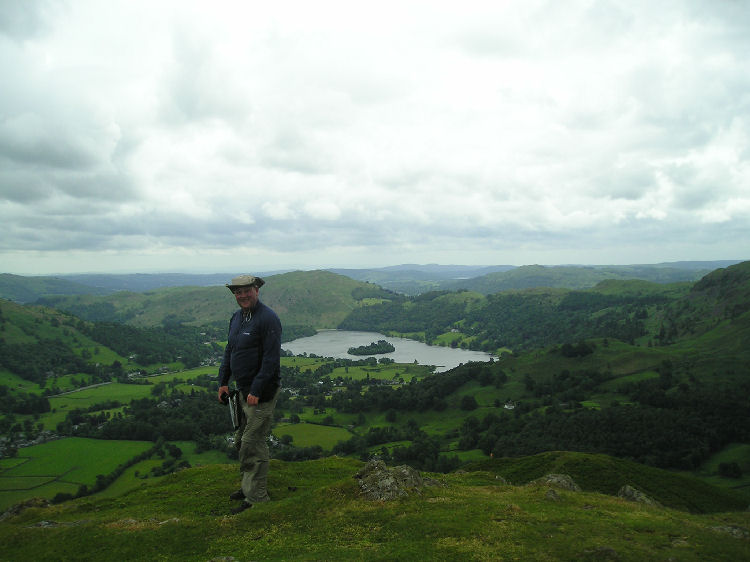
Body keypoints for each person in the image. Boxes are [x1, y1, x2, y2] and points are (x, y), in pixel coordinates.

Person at [217, 274, 282, 514]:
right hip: (242, 391)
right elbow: (230, 350)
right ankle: (247, 487)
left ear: (257, 290)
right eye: (237, 292)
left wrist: (256, 389)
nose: (242, 295)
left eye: (247, 291)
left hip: (261, 393)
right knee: (240, 441)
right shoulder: (237, 318)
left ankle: (257, 498)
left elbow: (271, 359)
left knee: (252, 443)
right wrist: (223, 381)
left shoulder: (268, 319)